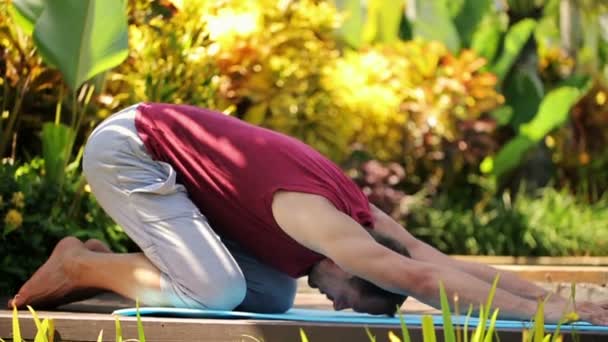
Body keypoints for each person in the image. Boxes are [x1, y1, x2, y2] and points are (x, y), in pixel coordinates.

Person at [8, 103, 608, 324]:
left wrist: (555, 299)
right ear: (356, 268)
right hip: (130, 150)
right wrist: (547, 319)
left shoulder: (367, 225)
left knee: (269, 297)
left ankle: (110, 266)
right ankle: (83, 265)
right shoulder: (325, 228)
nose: (341, 304)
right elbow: (423, 281)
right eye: (354, 298)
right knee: (216, 292)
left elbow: (433, 258)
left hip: (171, 163)